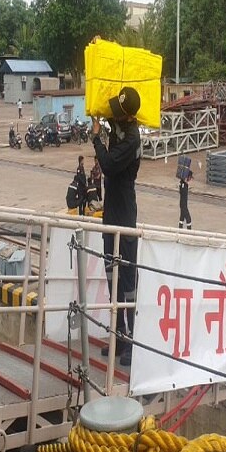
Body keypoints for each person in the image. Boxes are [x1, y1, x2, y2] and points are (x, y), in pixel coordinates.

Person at [91, 86, 142, 366]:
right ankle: (119, 334)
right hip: (112, 211)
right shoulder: (122, 128)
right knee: (112, 272)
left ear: (126, 115)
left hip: (124, 213)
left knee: (127, 278)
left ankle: (131, 337)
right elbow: (110, 117)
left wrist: (96, 138)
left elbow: (109, 165)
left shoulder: (131, 139)